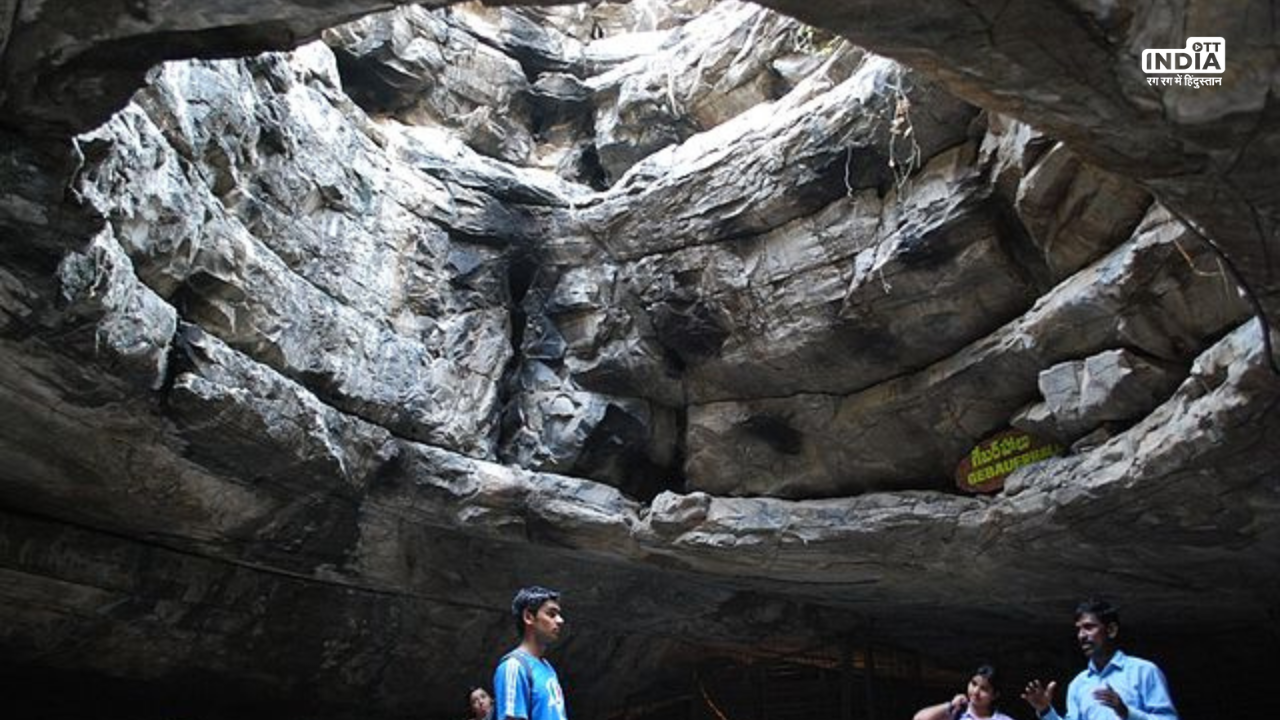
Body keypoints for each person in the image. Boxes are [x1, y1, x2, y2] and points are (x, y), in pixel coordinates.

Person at [1021, 598, 1179, 720]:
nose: (1082, 635)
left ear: (1111, 630)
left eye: (1089, 627)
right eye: (1079, 629)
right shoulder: (1078, 684)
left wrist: (1127, 713)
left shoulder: (1144, 672)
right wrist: (1045, 710)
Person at [492, 586, 569, 720]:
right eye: (551, 614)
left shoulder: (547, 668)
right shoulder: (514, 666)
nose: (560, 620)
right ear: (528, 617)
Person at [913, 664, 1015, 720]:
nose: (976, 691)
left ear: (995, 695)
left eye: (984, 689)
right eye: (974, 684)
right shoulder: (955, 714)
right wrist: (950, 705)